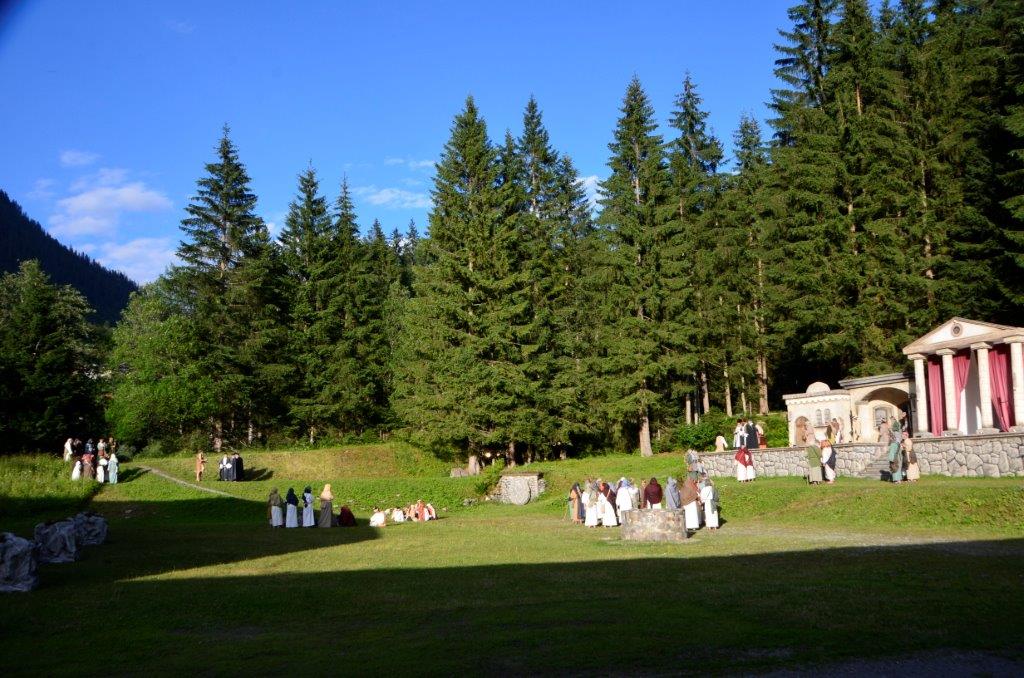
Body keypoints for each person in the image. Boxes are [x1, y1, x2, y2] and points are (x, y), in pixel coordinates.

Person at [888, 416, 904, 483]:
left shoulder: (894, 442)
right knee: (897, 466)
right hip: (897, 455)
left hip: (895, 457)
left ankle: (897, 479)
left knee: (895, 467)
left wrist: (890, 458)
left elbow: (892, 452)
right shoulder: (896, 438)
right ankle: (898, 479)